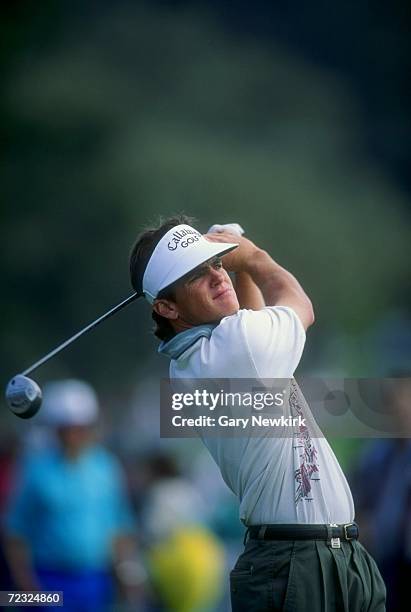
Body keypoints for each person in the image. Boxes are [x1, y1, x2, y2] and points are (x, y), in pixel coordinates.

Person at [129, 215, 387, 611]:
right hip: (297, 563)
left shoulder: (200, 357)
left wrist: (240, 270)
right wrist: (252, 257)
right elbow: (301, 305)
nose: (218, 277)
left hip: (329, 555)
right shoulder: (235, 350)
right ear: (166, 306)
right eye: (198, 275)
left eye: (217, 264)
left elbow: (249, 322)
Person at [4, 379, 136, 612]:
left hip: (96, 580)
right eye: (67, 428)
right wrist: (27, 589)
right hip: (48, 580)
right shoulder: (34, 469)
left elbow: (120, 527)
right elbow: (15, 533)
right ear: (55, 429)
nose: (74, 435)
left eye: (81, 427)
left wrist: (127, 576)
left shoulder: (105, 467)